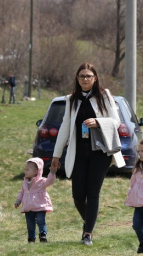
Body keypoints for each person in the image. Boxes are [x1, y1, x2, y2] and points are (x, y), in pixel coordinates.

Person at [50, 62, 125, 246]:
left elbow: (116, 121)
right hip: (79, 153)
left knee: (93, 193)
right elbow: (65, 127)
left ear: (95, 78)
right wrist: (56, 155)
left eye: (88, 76)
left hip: (100, 152)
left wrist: (98, 122)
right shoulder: (71, 99)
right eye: (82, 76)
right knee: (77, 195)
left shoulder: (104, 95)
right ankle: (89, 220)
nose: (85, 79)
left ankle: (88, 233)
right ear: (77, 78)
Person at [14, 158, 56, 243]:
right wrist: (18, 200)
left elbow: (50, 181)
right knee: (30, 224)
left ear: (35, 171)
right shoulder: (25, 182)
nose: (25, 171)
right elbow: (22, 192)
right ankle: (31, 238)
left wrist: (52, 172)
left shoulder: (41, 181)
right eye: (25, 169)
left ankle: (43, 235)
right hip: (28, 207)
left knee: (41, 221)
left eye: (27, 170)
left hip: (40, 206)